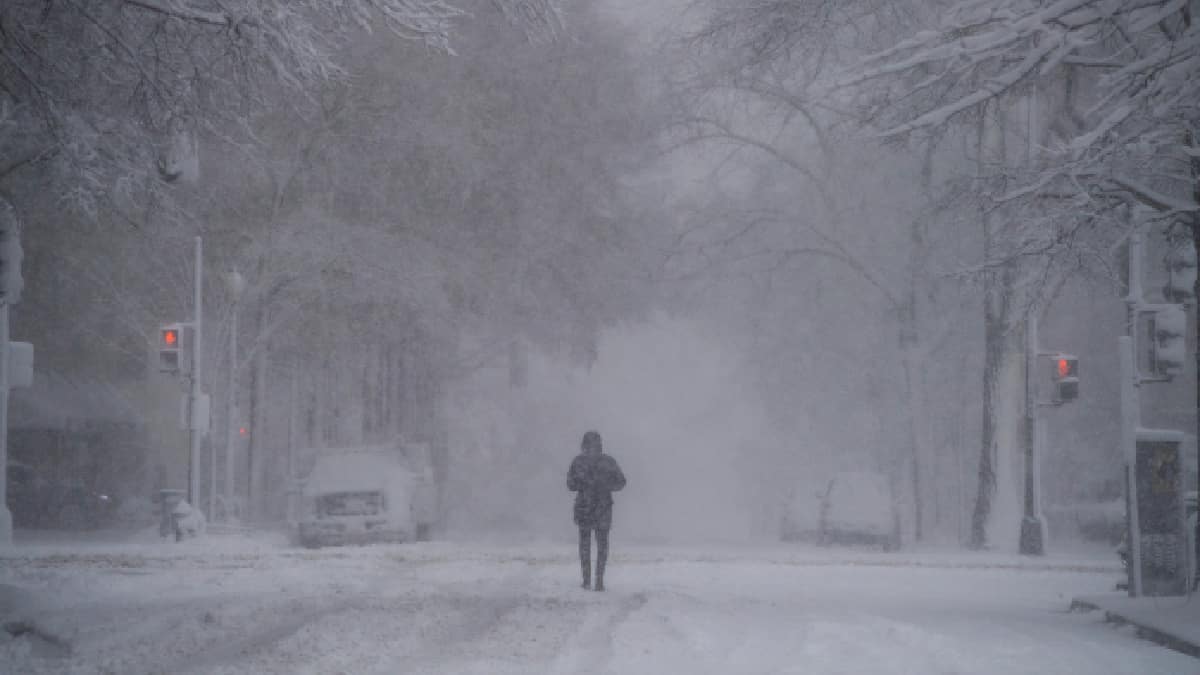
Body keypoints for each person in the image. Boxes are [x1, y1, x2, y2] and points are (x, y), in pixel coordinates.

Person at [567, 430, 626, 591]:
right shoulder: (608, 462)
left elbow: (570, 484)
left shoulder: (579, 462)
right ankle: (597, 581)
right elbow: (621, 482)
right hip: (601, 508)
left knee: (587, 547)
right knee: (600, 546)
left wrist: (586, 484)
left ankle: (589, 581)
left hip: (588, 508)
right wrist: (604, 485)